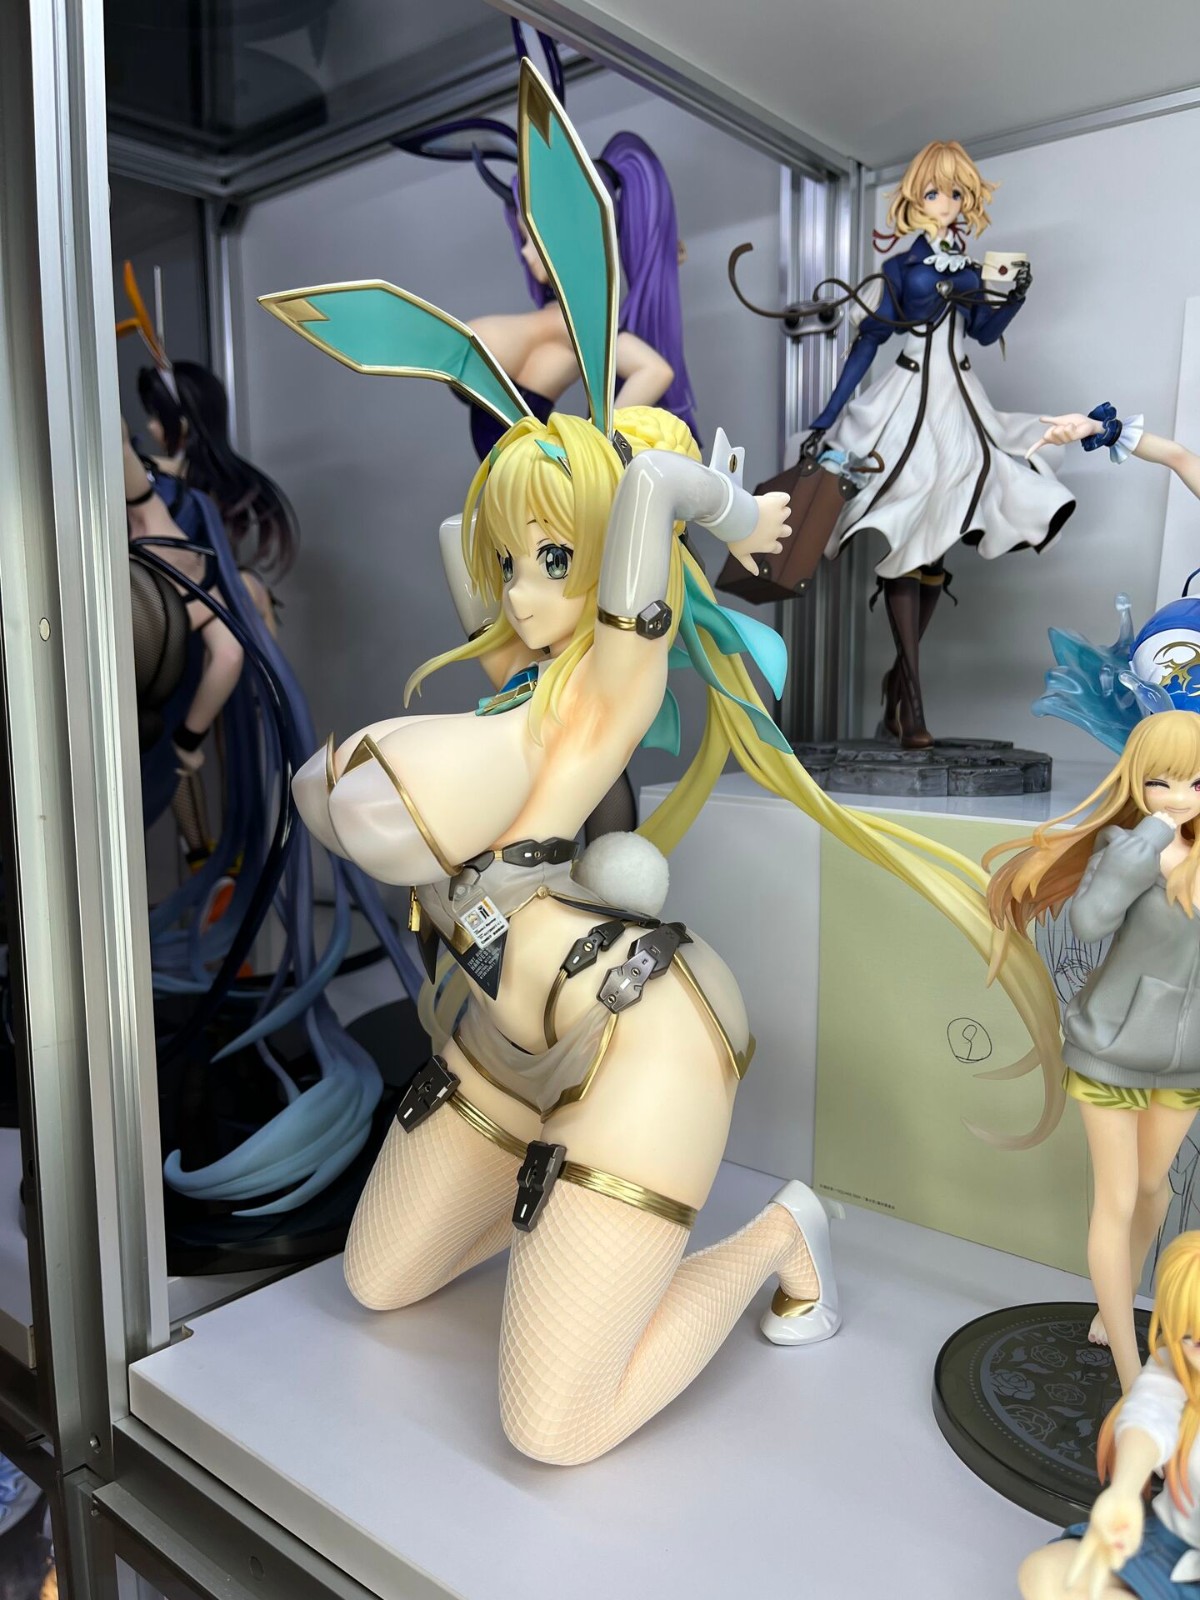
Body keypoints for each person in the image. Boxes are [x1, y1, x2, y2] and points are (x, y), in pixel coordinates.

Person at [805, 140, 1075, 747]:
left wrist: (1013, 297)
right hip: (906, 405)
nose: (946, 203)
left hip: (959, 406)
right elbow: (869, 343)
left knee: (937, 541)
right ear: (914, 200)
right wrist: (828, 414)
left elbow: (981, 330)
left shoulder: (971, 266)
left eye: (955, 193)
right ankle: (914, 705)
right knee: (910, 536)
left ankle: (899, 689)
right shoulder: (902, 268)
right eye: (934, 193)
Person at [988, 713, 1200, 1394]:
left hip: (1187, 1056)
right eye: (1162, 781)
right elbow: (1089, 920)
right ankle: (1130, 1368)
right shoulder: (1125, 847)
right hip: (1111, 1046)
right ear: (1136, 782)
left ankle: (1116, 1310)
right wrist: (1149, 838)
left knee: (1154, 1189)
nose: (1179, 796)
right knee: (1117, 1196)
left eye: (1196, 782)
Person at [1018, 1230, 1200, 1600]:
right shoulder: (1177, 1366)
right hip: (1171, 1543)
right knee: (1044, 1575)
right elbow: (1150, 1416)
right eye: (1193, 1339)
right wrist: (1124, 1492)